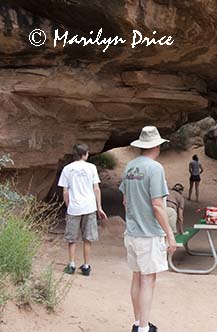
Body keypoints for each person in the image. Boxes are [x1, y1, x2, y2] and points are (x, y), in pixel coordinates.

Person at [119, 126, 177, 332]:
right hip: (149, 234)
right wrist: (170, 234)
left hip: (132, 233)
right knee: (148, 280)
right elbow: (157, 205)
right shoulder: (155, 168)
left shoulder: (129, 167)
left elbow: (125, 200)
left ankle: (137, 323)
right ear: (157, 146)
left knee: (137, 276)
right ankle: (144, 328)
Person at [58, 143, 108, 276]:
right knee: (87, 238)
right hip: (89, 207)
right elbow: (96, 188)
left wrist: (69, 206)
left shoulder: (67, 169)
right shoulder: (91, 168)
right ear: (85, 154)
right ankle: (86, 266)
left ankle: (72, 264)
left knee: (72, 238)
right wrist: (99, 207)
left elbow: (65, 192)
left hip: (74, 207)